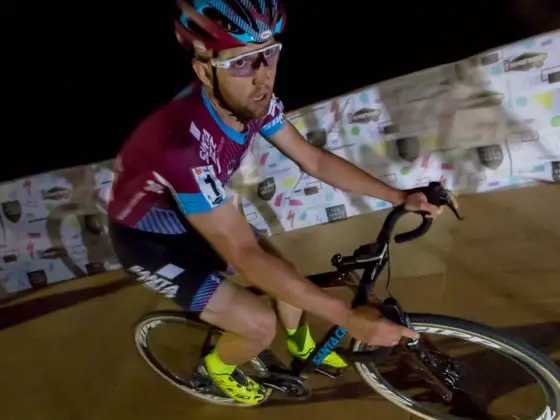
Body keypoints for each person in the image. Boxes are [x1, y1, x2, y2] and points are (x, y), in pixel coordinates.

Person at [108, 0, 455, 406]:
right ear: (204, 71)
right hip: (151, 241)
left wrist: (398, 195)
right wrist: (346, 318)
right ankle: (215, 369)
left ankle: (303, 345)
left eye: (268, 55)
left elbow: (314, 159)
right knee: (258, 324)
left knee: (287, 278)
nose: (263, 77)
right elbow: (244, 251)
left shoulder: (251, 101)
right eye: (241, 63)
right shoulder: (181, 145)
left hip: (194, 211)